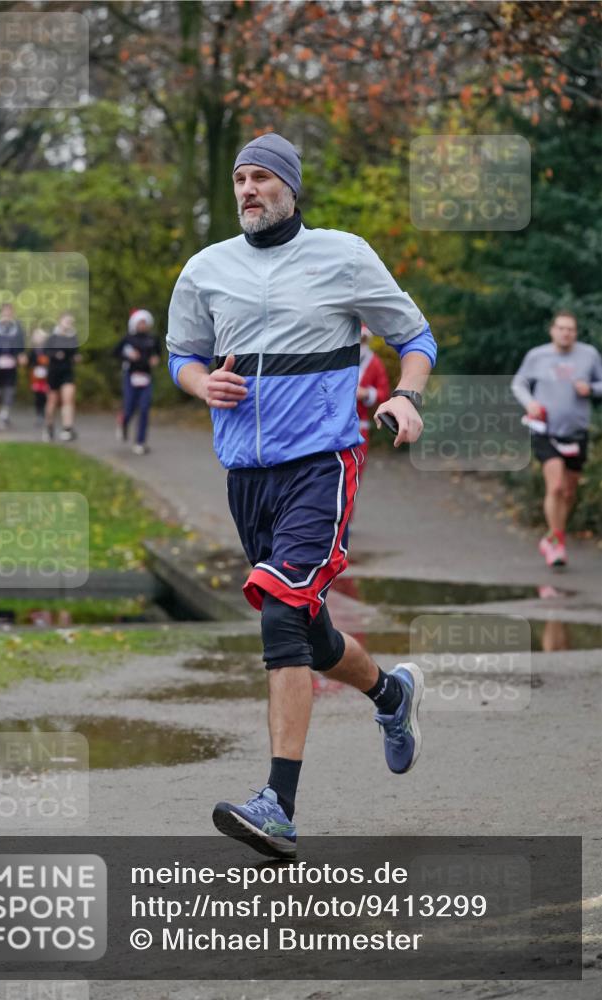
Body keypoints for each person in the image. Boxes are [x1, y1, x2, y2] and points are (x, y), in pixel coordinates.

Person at [167, 132, 437, 859]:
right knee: (307, 631)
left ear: (290, 188)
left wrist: (406, 397)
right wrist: (201, 384)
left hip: (322, 463)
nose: (248, 189)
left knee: (282, 612)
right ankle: (389, 693)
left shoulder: (342, 255)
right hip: (245, 478)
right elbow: (182, 356)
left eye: (261, 178)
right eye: (239, 179)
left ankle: (276, 805)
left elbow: (414, 335)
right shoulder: (205, 269)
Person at [511, 310, 602, 568]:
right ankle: (556, 541)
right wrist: (530, 403)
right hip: (544, 429)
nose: (565, 333)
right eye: (561, 328)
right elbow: (519, 383)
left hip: (576, 432)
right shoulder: (538, 356)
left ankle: (554, 536)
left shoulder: (589, 355)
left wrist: (592, 389)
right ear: (552, 330)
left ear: (576, 332)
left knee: (570, 492)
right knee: (556, 487)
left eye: (570, 329)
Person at [113, 309, 161, 455]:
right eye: (140, 322)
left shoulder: (152, 339)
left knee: (145, 408)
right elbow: (115, 353)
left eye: (145, 322)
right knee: (129, 407)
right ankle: (123, 422)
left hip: (146, 377)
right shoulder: (128, 339)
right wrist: (128, 356)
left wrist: (156, 359)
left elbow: (158, 354)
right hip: (130, 376)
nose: (142, 325)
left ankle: (140, 442)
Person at [356, 324, 391, 473]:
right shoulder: (338, 359)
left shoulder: (374, 363)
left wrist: (366, 393)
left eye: (363, 340)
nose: (360, 343)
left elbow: (384, 393)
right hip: (330, 425)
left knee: (356, 470)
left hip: (359, 425)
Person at [43, 312, 80, 442]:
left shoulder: (73, 338)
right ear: (60, 321)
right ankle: (49, 427)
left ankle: (67, 428)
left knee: (68, 399)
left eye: (71, 322)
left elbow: (75, 353)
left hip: (67, 372)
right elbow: (45, 352)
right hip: (54, 372)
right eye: (67, 321)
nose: (69, 324)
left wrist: (76, 357)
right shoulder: (52, 338)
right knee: (52, 401)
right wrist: (55, 354)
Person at [27, 328, 50, 425]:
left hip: (46, 377)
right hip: (36, 377)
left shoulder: (48, 350)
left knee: (46, 396)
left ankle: (47, 414)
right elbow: (29, 364)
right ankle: (39, 414)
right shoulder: (32, 351)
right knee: (38, 396)